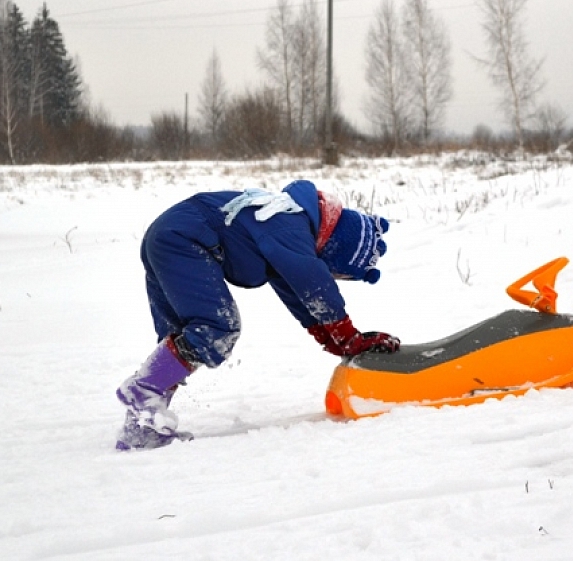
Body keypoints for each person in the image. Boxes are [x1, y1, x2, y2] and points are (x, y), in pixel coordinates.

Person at [115, 179, 400, 450]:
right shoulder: (291, 225)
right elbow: (313, 283)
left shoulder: (287, 222)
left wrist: (335, 341)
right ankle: (144, 393)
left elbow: (298, 293)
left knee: (180, 337)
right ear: (334, 249)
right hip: (184, 239)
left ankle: (141, 425)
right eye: (335, 272)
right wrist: (349, 337)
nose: (332, 276)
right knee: (216, 329)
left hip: (167, 234)